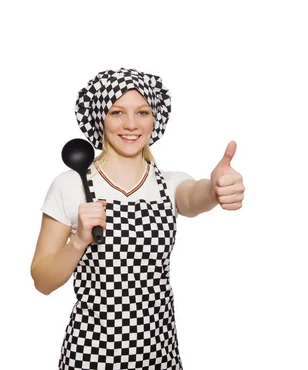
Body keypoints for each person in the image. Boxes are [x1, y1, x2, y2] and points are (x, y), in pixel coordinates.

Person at [31, 68, 244, 369]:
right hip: (90, 353)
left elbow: (194, 196)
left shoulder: (170, 184)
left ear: (155, 119)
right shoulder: (69, 184)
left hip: (159, 353)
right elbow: (42, 280)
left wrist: (215, 188)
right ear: (99, 118)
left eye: (142, 112)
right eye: (117, 112)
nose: (131, 124)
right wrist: (78, 242)